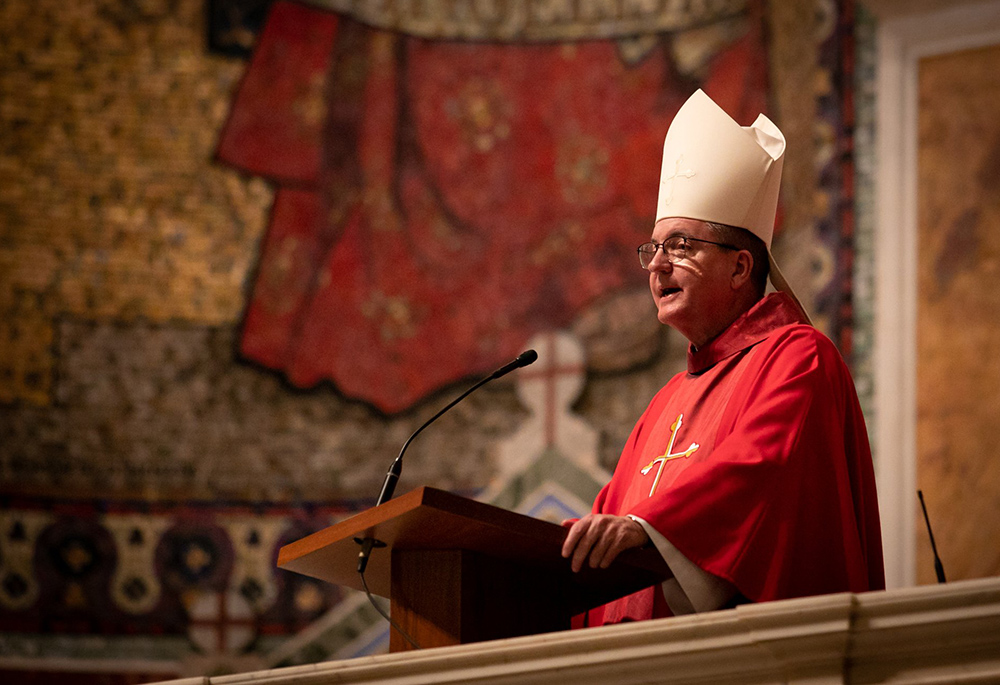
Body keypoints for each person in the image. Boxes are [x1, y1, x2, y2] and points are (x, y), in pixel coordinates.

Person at [561, 89, 884, 622]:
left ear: (739, 269)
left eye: (682, 246)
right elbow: (605, 522)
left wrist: (648, 530)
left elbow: (761, 471)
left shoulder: (799, 358)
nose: (657, 266)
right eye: (654, 248)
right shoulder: (665, 403)